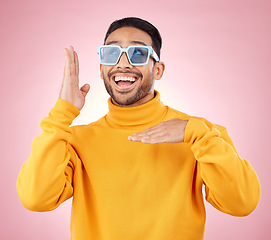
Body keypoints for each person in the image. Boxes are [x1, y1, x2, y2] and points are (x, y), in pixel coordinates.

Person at [16, 17, 261, 240]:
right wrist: (62, 114)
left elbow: (242, 204)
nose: (123, 63)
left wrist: (198, 134)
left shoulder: (201, 134)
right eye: (111, 53)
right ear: (102, 69)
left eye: (137, 53)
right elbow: (35, 199)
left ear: (158, 69)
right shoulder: (75, 140)